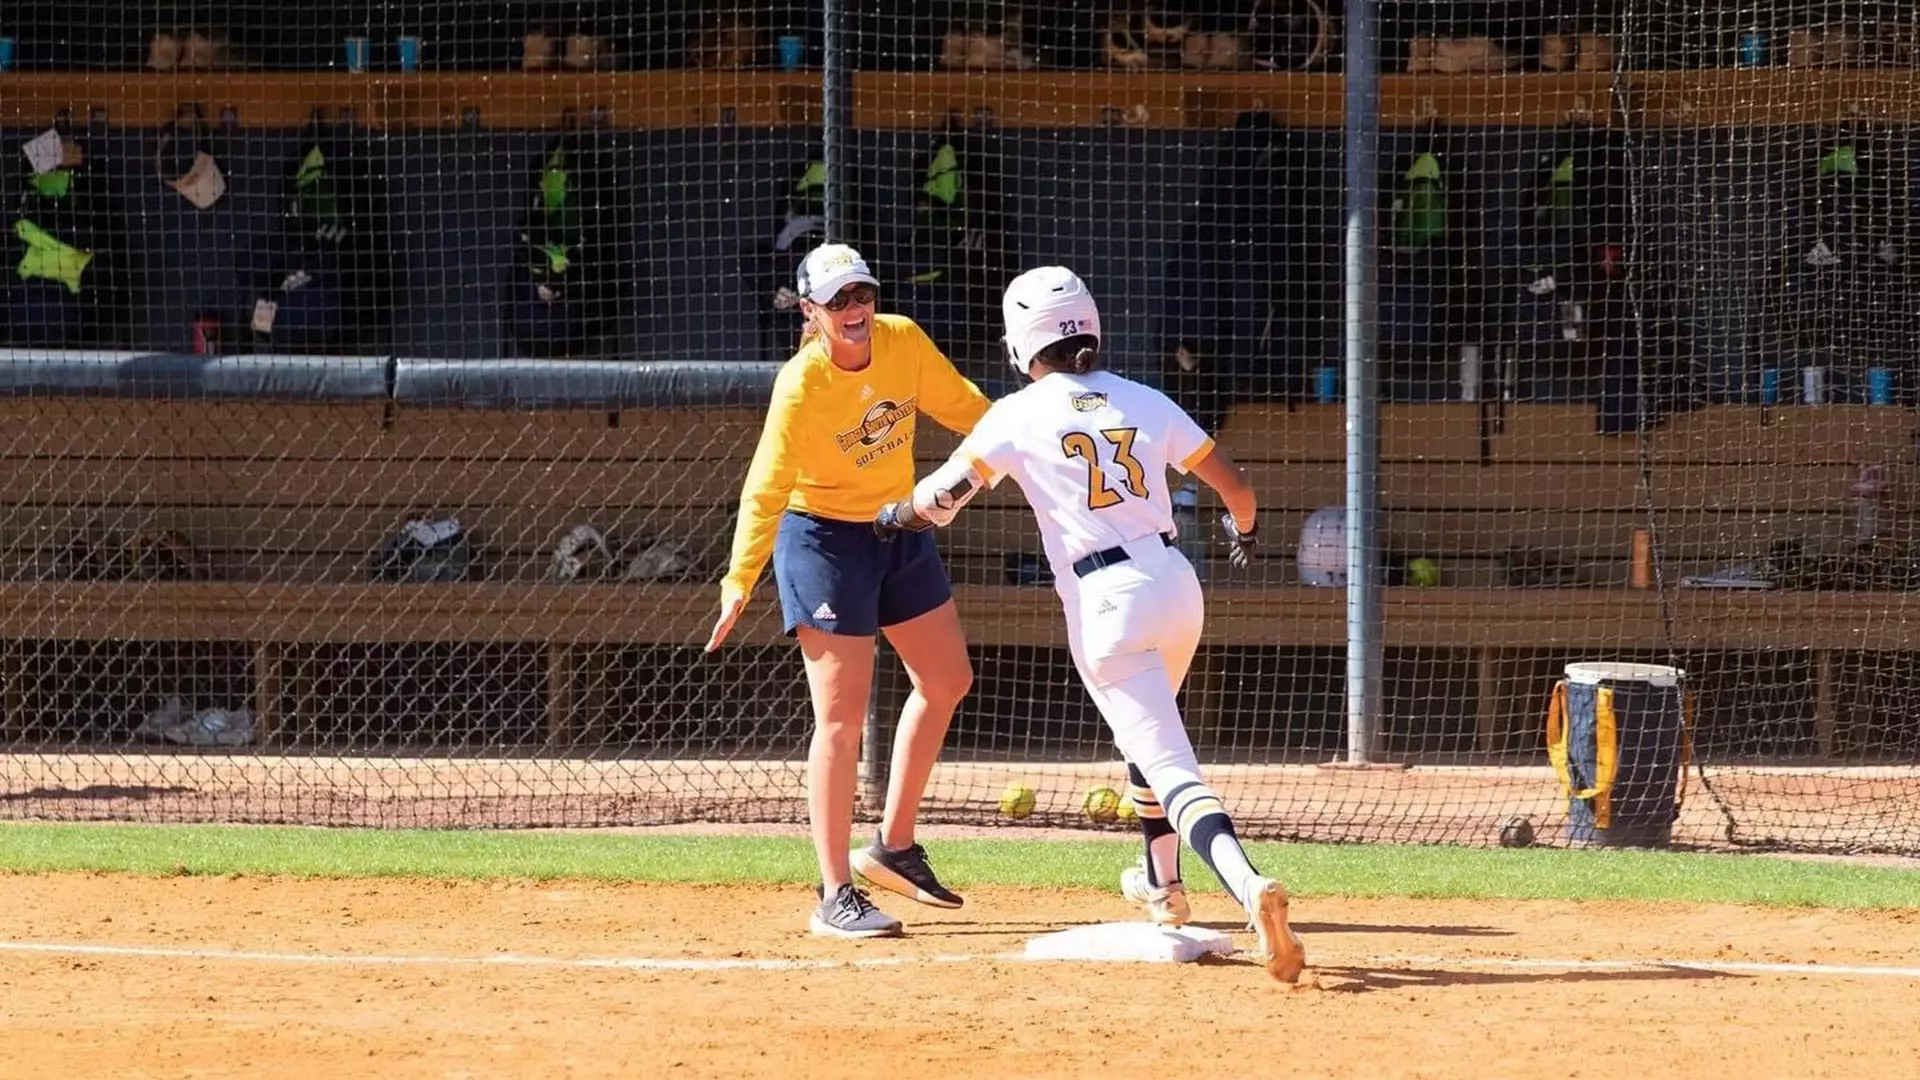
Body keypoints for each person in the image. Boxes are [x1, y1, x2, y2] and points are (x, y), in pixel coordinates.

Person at [873, 266, 1307, 982]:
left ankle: (1246, 881)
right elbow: (1237, 488)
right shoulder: (1146, 399)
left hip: (1105, 600)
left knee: (1169, 763)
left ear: (1022, 342)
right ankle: (1163, 886)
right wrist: (1246, 531)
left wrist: (894, 516)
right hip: (1176, 586)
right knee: (1150, 740)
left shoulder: (1018, 412)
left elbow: (942, 499)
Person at [705, 242, 990, 940]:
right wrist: (739, 580)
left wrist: (1038, 445)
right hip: (823, 540)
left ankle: (892, 847)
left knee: (948, 677)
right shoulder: (802, 385)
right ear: (811, 313)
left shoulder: (903, 340)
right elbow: (766, 485)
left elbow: (974, 412)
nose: (855, 309)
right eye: (838, 302)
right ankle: (833, 892)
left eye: (861, 293)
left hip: (898, 525)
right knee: (841, 716)